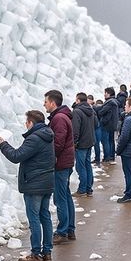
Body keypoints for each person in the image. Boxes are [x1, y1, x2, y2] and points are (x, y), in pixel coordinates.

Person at [0, 111, 55, 261]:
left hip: (34, 184)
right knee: (45, 217)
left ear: (31, 123)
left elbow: (16, 156)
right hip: (46, 182)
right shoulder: (48, 135)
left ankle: (36, 254)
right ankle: (47, 253)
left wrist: (3, 144)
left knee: (34, 219)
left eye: (26, 122)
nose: (25, 125)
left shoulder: (34, 138)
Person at [44, 90, 75, 244]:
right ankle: (69, 229)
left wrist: (51, 157)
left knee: (60, 198)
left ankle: (62, 231)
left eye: (46, 102)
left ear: (52, 102)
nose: (44, 105)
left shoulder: (59, 118)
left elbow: (58, 142)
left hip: (61, 164)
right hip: (65, 162)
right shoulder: (62, 116)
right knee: (66, 196)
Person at [72, 92, 96, 199]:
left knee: (80, 167)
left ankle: (82, 189)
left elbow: (75, 129)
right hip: (89, 141)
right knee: (87, 165)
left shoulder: (77, 111)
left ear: (78, 100)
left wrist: (74, 142)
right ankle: (88, 189)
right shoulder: (90, 110)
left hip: (81, 144)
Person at [99, 87, 119, 164]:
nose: (104, 94)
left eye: (105, 93)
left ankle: (107, 157)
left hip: (107, 125)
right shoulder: (114, 101)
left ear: (109, 93)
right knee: (111, 141)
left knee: (106, 141)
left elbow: (102, 112)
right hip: (112, 124)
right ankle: (111, 156)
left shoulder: (110, 102)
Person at [92, 97, 103, 166]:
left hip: (96, 128)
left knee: (96, 144)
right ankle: (97, 159)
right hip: (100, 127)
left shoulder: (95, 109)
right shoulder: (103, 109)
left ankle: (97, 159)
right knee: (97, 144)